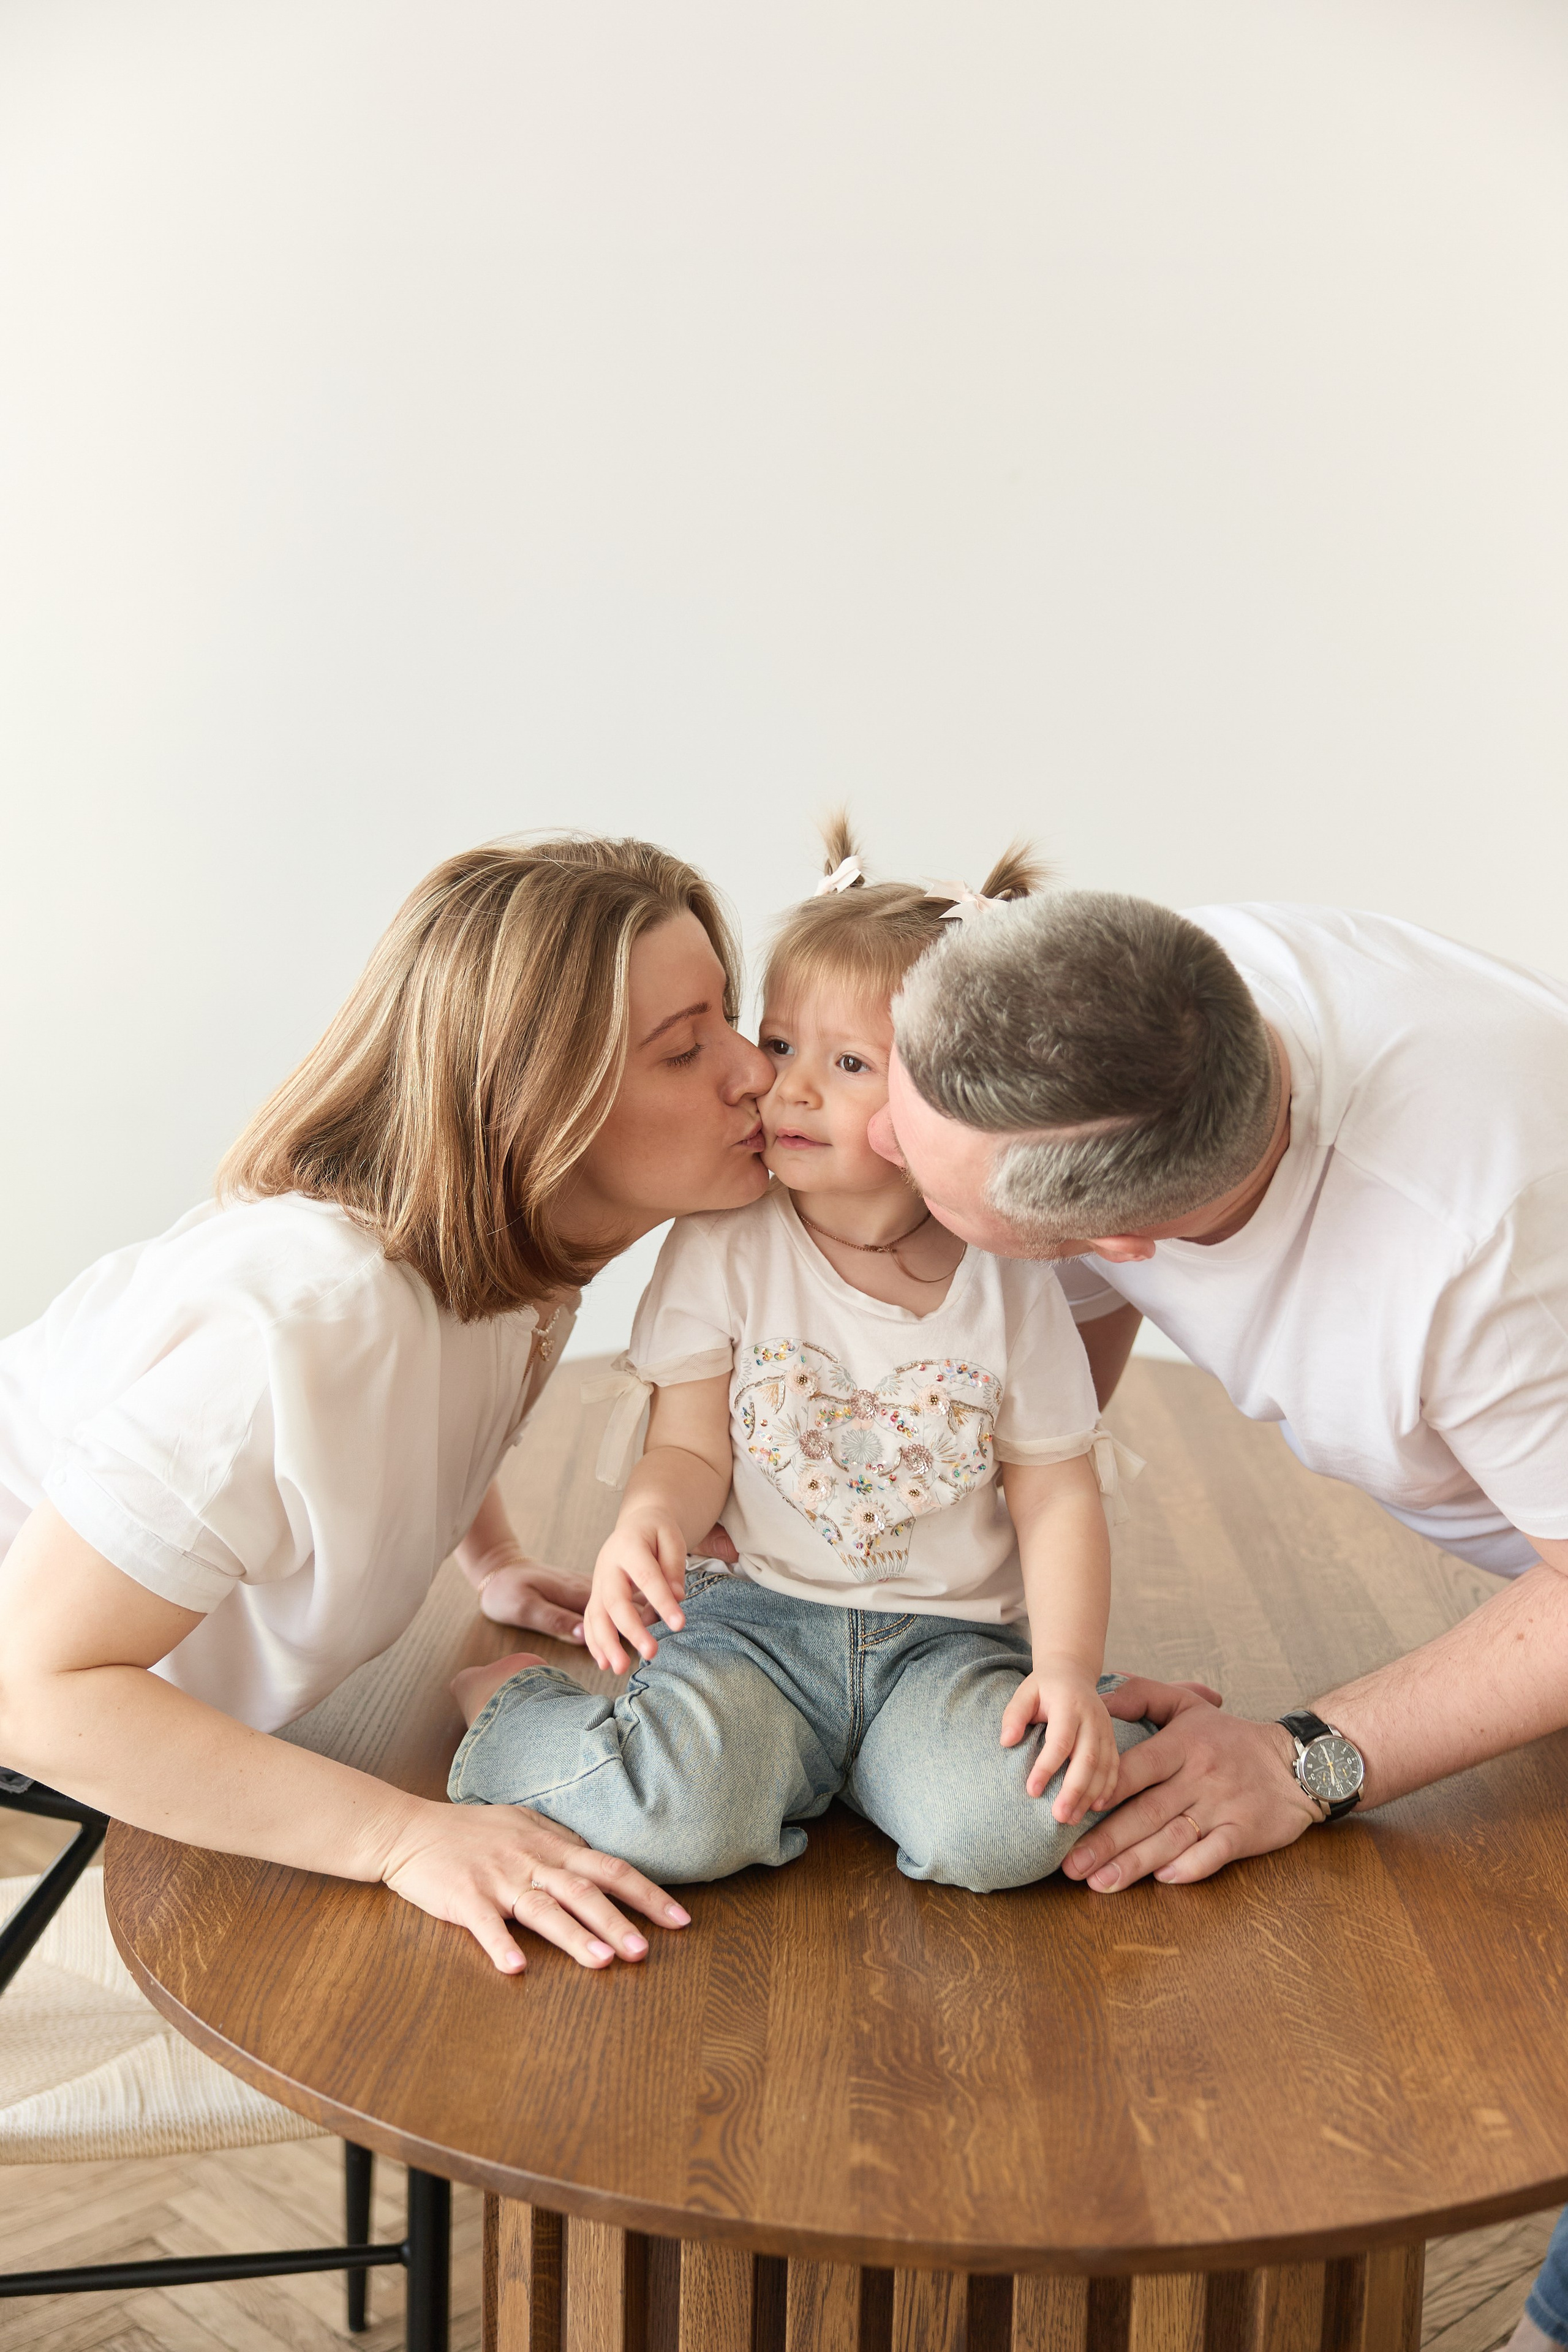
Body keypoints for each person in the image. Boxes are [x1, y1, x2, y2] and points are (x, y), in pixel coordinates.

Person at [864, 888, 1568, 2352]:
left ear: (1134, 1237)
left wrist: (1307, 1756)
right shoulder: (1116, 1004)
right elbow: (1049, 1372)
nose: (873, 1136)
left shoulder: (1475, 1236)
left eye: (925, 1174)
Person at [0, 834, 780, 1975]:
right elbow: (33, 1691)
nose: (756, 1070)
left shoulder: (529, 1256)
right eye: (684, 1048)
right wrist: (399, 1837)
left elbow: (422, 1411)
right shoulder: (300, 1329)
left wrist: (491, 1555)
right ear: (533, 1107)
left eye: (732, 1019)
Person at [447, 824, 1153, 1888]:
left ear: (950, 1096)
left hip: (947, 1643)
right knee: (679, 1821)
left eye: (850, 1064)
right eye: (778, 1045)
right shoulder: (725, 1244)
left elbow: (1055, 1495)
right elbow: (689, 1450)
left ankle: (903, 1759)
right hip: (753, 1622)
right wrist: (650, 1521)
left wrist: (1064, 1671)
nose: (789, 1089)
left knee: (1010, 1827)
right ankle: (512, 1710)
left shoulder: (1008, 1277)